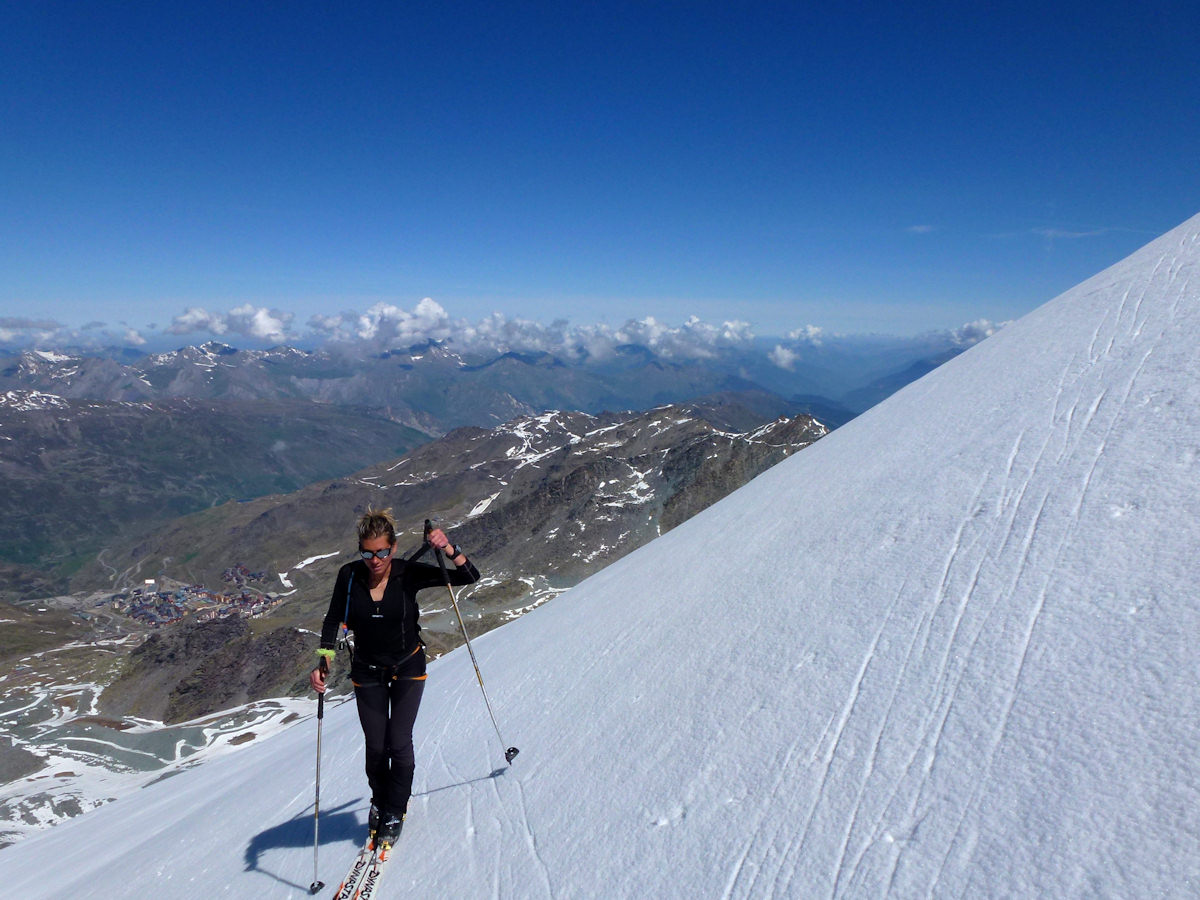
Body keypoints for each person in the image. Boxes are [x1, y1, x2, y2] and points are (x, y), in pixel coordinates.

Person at [310, 507, 480, 849]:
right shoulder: (349, 576)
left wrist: (448, 548)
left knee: (398, 742)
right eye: (368, 553)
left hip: (408, 666)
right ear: (361, 550)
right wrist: (323, 661)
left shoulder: (407, 573)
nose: (375, 559)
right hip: (367, 670)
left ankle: (394, 810)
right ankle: (380, 798)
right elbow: (333, 620)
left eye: (383, 552)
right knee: (376, 746)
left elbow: (468, 576)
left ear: (394, 547)